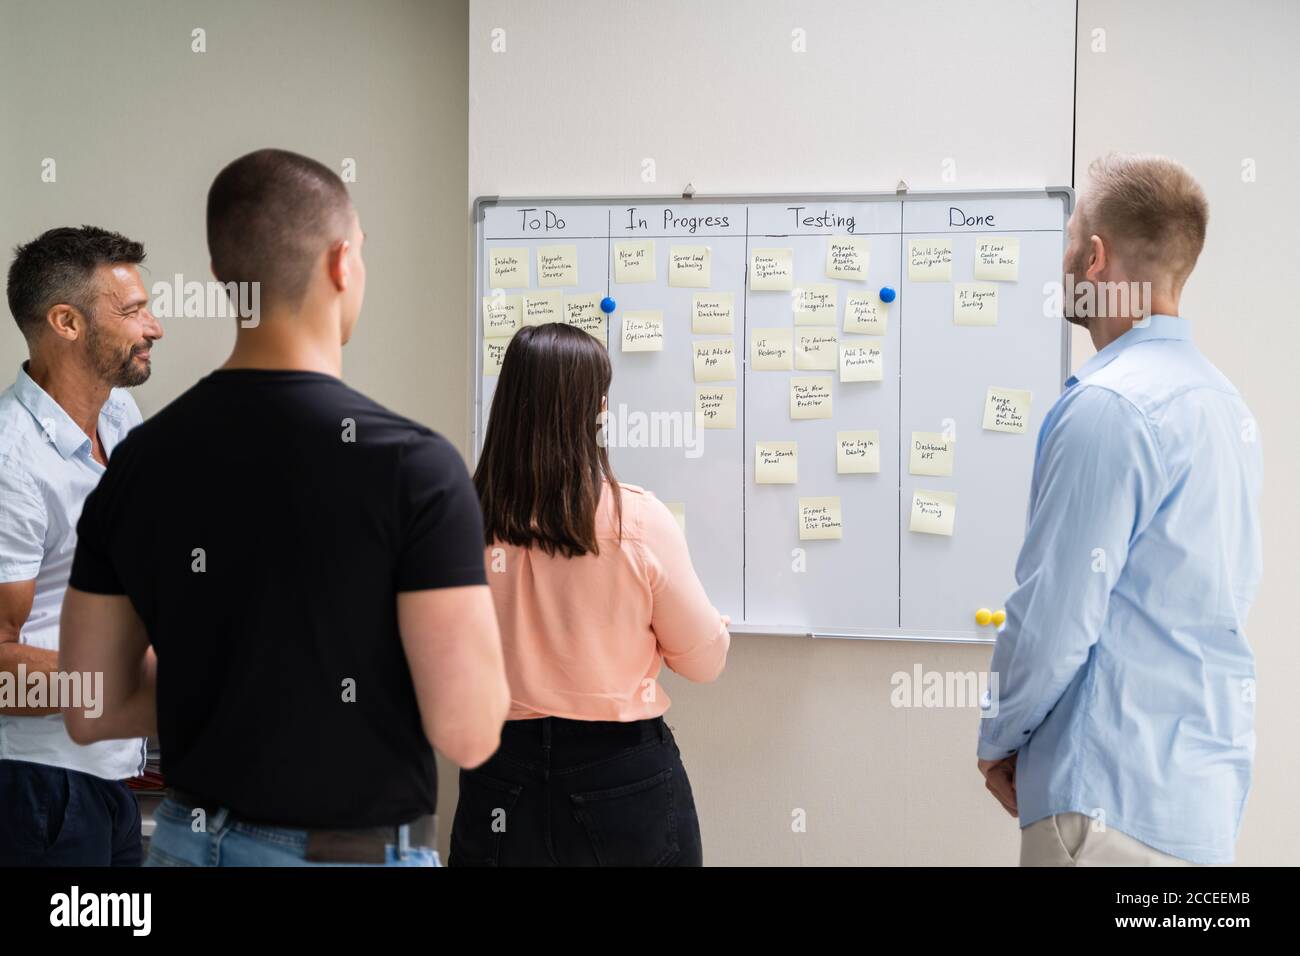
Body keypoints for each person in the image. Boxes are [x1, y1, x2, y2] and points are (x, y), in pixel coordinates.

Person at [59, 148, 510, 867]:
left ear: (222, 281)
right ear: (341, 263)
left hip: (186, 844)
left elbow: (91, 710)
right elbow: (469, 731)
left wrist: (226, 684)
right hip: (346, 855)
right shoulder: (415, 468)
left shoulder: (138, 462)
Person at [976, 154, 1263, 866]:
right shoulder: (1225, 407)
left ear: (1095, 258)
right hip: (1196, 811)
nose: (1065, 256)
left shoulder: (1108, 406)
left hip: (1104, 812)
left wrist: (999, 741)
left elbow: (1054, 617)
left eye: (1071, 238)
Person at [451, 321, 730, 866]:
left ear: (508, 403)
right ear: (597, 408)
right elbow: (705, 663)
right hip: (619, 775)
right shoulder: (639, 522)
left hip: (498, 772)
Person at [0, 226, 161, 865]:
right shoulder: (11, 462)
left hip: (112, 776)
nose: (154, 327)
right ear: (66, 322)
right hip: (38, 789)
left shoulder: (122, 419)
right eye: (132, 311)